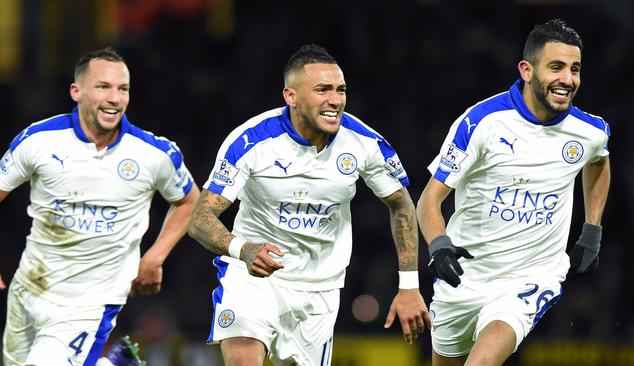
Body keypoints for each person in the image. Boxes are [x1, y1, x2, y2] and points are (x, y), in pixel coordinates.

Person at [188, 44, 430, 366]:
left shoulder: (366, 143)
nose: (335, 100)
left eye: (340, 90)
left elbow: (400, 204)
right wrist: (242, 250)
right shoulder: (251, 142)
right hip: (254, 279)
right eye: (322, 90)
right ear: (291, 96)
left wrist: (409, 286)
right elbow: (200, 218)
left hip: (320, 288)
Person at [0, 47, 200, 366]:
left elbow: (190, 200)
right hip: (30, 287)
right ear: (77, 91)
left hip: (93, 301)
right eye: (103, 87)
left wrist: (155, 256)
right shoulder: (39, 139)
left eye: (122, 89)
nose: (115, 98)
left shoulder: (153, 153)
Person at [416, 19, 610, 366]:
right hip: (464, 278)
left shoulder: (589, 131)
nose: (568, 79)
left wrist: (592, 231)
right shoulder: (482, 123)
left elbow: (599, 161)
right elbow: (429, 200)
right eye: (556, 67)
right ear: (527, 70)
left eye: (575, 69)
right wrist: (439, 244)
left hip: (531, 277)